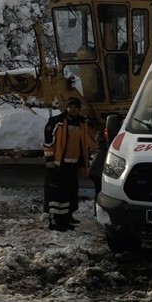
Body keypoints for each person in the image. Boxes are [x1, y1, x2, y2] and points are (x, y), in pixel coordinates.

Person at [43, 97, 96, 232]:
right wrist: (49, 160)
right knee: (56, 195)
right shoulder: (57, 122)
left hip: (72, 165)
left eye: (76, 107)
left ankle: (65, 219)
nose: (73, 109)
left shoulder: (81, 123)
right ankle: (54, 221)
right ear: (66, 108)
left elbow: (84, 143)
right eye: (71, 106)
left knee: (69, 194)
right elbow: (48, 141)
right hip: (58, 164)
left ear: (79, 109)